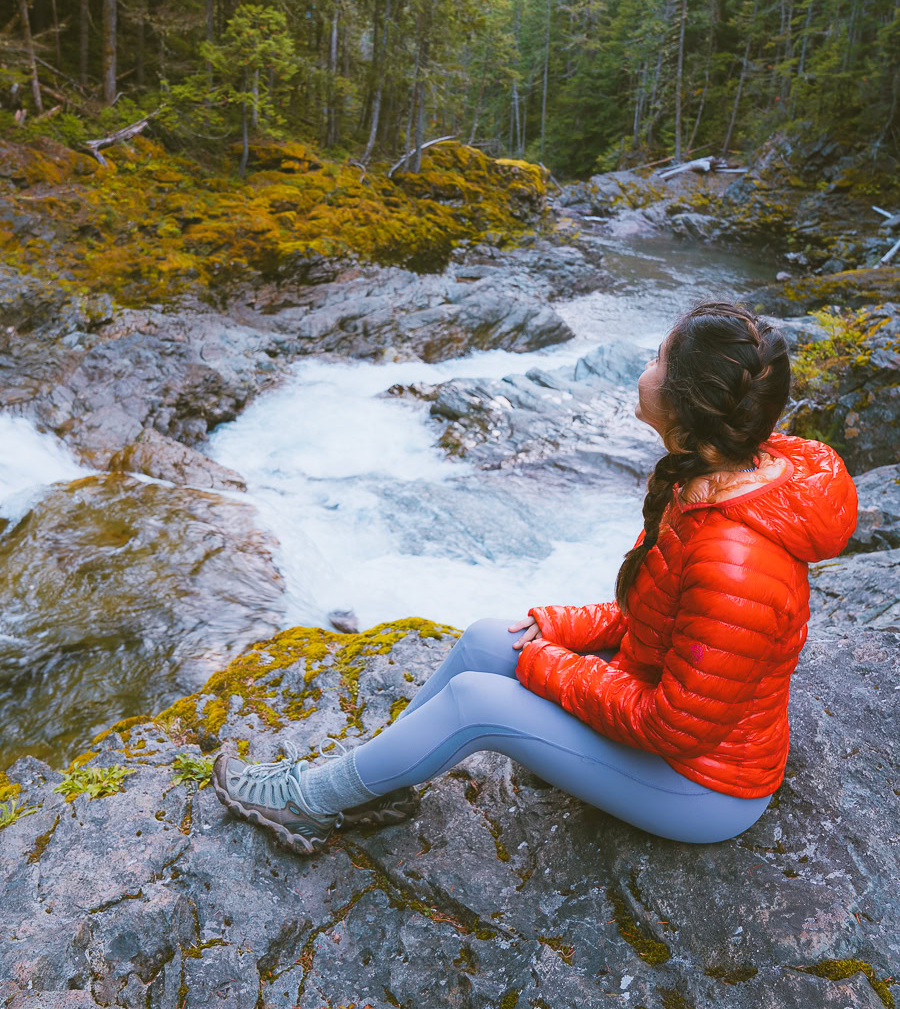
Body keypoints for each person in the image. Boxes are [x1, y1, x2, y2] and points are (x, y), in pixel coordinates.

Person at [212, 300, 858, 853]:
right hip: (667, 723)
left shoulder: (737, 560)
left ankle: (310, 800)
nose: (643, 370)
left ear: (686, 401)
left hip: (702, 787)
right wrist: (552, 628)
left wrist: (546, 665)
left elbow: (674, 726)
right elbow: (650, 613)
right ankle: (381, 782)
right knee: (495, 636)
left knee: (479, 702)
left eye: (656, 359)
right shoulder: (715, 482)